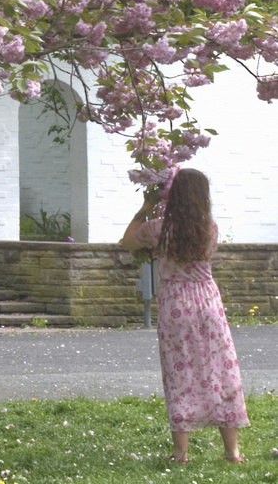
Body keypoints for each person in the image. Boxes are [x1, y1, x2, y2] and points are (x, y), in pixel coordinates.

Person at [122, 167, 249, 464]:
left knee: (180, 373)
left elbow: (128, 242)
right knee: (221, 371)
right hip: (208, 302)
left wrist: (145, 208)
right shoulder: (210, 228)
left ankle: (181, 453)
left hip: (175, 305)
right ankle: (232, 452)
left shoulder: (157, 229)